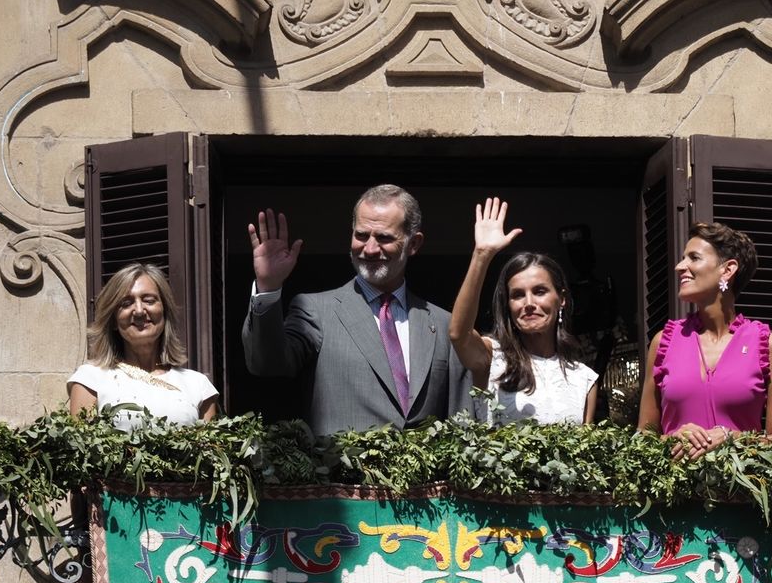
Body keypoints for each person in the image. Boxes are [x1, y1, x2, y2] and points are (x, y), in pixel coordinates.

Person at [242, 185, 471, 435]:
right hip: (342, 473)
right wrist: (268, 287)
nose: (370, 249)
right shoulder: (317, 311)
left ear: (413, 244)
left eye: (384, 238)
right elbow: (267, 364)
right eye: (361, 235)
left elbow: (461, 420)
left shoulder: (444, 323)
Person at [637, 222, 772, 458]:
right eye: (682, 258)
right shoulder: (664, 342)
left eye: (694, 258)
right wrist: (671, 438)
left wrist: (733, 438)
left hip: (740, 492)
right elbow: (642, 439)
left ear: (727, 270)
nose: (680, 267)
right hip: (674, 490)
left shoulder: (769, 346)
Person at [449, 198, 598, 425]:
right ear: (508, 305)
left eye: (540, 291)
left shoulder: (583, 378)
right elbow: (459, 334)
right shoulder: (491, 358)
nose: (528, 302)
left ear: (562, 299)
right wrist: (482, 255)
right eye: (518, 295)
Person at [68, 263, 218, 430]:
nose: (139, 311)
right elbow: (83, 451)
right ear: (113, 321)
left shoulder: (198, 385)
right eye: (126, 303)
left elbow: (208, 451)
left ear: (164, 311)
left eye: (149, 300)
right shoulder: (91, 379)